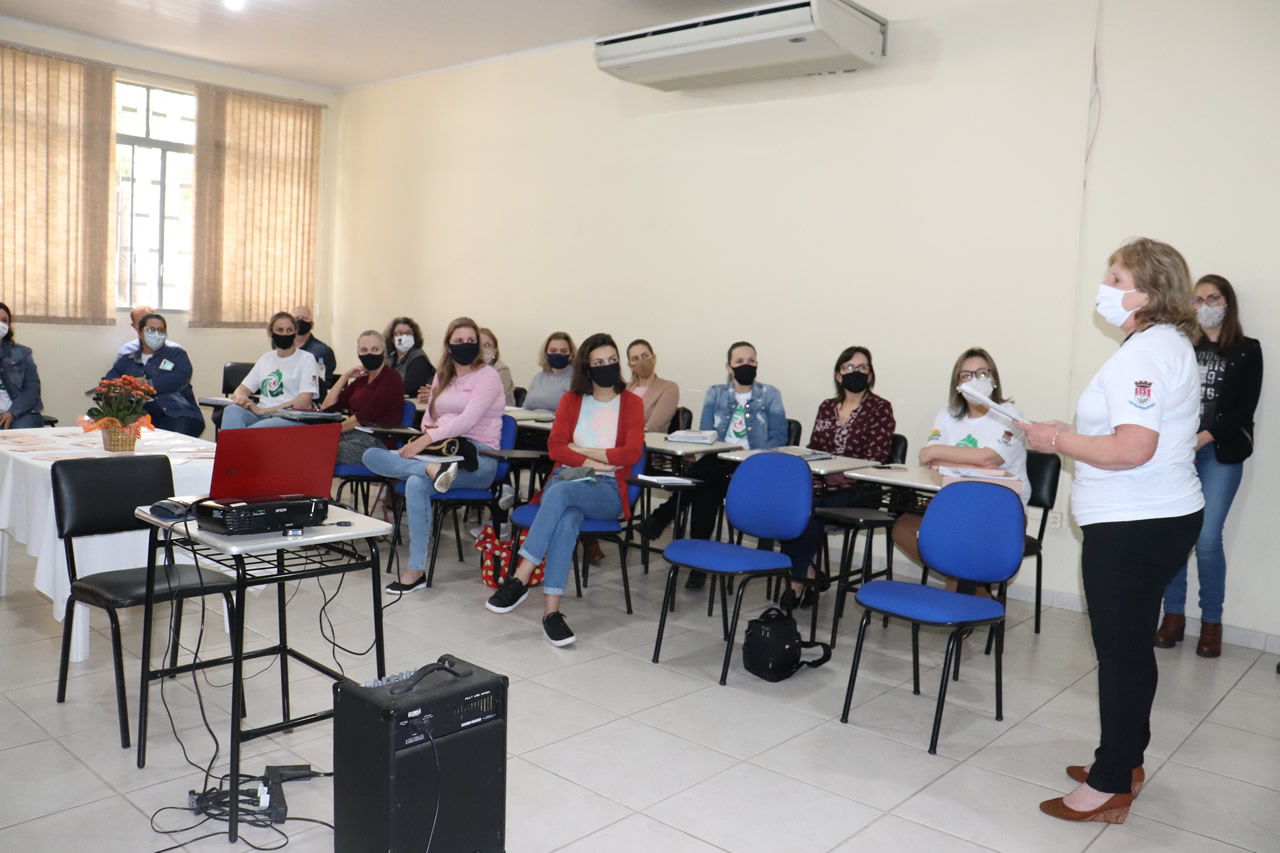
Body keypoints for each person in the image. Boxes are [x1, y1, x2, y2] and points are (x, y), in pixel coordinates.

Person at [1021, 237, 1203, 824]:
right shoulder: (1168, 344)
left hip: (1134, 523)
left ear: (1145, 293)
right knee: (1131, 649)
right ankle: (1124, 761)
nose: (1107, 287)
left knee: (1121, 654)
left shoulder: (1141, 355)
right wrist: (1068, 433)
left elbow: (1131, 448)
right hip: (1160, 515)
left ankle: (1110, 783)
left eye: (1117, 279)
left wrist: (1055, 439)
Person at [485, 332, 645, 646]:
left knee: (559, 495)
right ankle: (551, 613)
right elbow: (556, 448)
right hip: (572, 482)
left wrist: (586, 455)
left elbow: (631, 453)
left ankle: (520, 576)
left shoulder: (631, 403)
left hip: (609, 491)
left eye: (612, 361)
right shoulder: (572, 400)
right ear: (586, 368)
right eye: (599, 362)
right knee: (568, 516)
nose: (607, 367)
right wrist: (599, 458)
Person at [1154, 274, 1262, 658]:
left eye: (1212, 298)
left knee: (1206, 538)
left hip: (1219, 453)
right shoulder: (1181, 346)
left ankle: (1212, 623)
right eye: (1197, 300)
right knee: (1176, 535)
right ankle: (1174, 616)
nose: (1204, 306)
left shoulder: (1248, 350)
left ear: (1227, 304)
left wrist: (1202, 437)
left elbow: (1242, 410)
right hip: (1176, 454)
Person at [363, 317, 504, 594]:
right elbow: (429, 416)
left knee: (415, 483)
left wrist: (426, 439)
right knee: (370, 455)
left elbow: (467, 420)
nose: (465, 345)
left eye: (470, 341)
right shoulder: (443, 373)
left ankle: (415, 570)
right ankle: (430, 471)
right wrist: (428, 435)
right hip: (438, 454)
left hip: (477, 458)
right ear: (448, 345)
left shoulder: (488, 376)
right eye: (458, 341)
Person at [643, 341, 788, 589]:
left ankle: (665, 515)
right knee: (705, 491)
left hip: (752, 467)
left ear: (757, 364)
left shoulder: (770, 394)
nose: (746, 366)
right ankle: (699, 564)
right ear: (729, 367)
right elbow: (707, 436)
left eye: (751, 361)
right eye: (740, 362)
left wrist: (749, 452)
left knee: (702, 479)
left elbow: (779, 438)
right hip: (718, 464)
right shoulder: (715, 393)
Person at [891, 347, 1030, 569]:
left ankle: (963, 588)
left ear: (994, 379)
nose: (974, 381)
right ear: (958, 384)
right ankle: (970, 586)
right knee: (904, 528)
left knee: (959, 540)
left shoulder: (1009, 414)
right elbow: (928, 455)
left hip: (1001, 508)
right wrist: (974, 459)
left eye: (982, 374)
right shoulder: (946, 415)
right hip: (952, 502)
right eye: (966, 375)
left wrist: (950, 457)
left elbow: (988, 457)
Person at [780, 346, 895, 608]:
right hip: (821, 485)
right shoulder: (827, 406)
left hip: (859, 491)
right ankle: (809, 571)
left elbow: (874, 458)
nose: (857, 372)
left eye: (863, 367)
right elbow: (814, 448)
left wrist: (837, 473)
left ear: (871, 374)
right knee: (784, 503)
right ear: (838, 375)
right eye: (850, 367)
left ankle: (797, 580)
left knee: (808, 509)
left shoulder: (880, 408)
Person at [104, 312, 204, 437]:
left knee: (172, 441)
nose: (156, 334)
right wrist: (130, 384)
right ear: (140, 333)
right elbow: (108, 381)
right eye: (151, 330)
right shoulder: (127, 360)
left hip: (177, 412)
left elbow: (180, 377)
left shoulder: (176, 354)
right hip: (138, 415)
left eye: (160, 330)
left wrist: (147, 385)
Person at [222, 312, 320, 429]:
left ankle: (237, 445)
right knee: (232, 411)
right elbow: (242, 389)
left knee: (250, 433)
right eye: (280, 330)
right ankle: (230, 447)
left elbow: (304, 402)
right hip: (262, 414)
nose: (285, 334)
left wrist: (263, 411)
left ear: (295, 333)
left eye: (289, 330)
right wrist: (240, 397)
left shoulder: (306, 359)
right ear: (271, 333)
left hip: (289, 417)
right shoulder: (265, 359)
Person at [321, 330, 406, 465]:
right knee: (311, 444)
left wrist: (333, 431)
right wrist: (345, 376)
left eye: (375, 349)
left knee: (320, 450)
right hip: (352, 436)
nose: (369, 354)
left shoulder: (391, 377)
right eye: (364, 350)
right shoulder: (361, 380)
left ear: (383, 352)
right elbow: (327, 408)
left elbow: (364, 417)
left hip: (377, 442)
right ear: (358, 354)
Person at [0, 303, 45, 430]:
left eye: (4, 321)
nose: (1, 325)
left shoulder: (22, 353)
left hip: (20, 413)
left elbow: (32, 390)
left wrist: (12, 413)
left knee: (22, 433)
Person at [625, 339, 680, 432]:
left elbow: (653, 427)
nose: (641, 362)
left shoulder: (669, 388)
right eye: (635, 359)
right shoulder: (623, 389)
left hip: (648, 444)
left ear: (654, 358)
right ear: (630, 365)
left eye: (645, 356)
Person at [385, 316, 436, 398]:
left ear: (414, 337)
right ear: (392, 338)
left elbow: (409, 388)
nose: (404, 337)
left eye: (408, 333)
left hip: (415, 406)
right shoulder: (390, 358)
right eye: (399, 333)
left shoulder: (419, 358)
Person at [523, 332, 575, 411]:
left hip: (557, 422)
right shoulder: (538, 377)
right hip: (529, 422)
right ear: (546, 354)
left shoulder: (577, 379)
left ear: (571, 354)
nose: (558, 354)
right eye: (553, 351)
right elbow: (526, 407)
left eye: (563, 351)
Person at [292, 305, 337, 395]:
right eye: (296, 318)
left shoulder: (323, 351)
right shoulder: (283, 348)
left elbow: (324, 385)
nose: (300, 321)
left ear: (312, 324)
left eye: (304, 318)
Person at [117, 304, 182, 358]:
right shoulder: (127, 351)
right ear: (134, 326)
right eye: (142, 323)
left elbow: (180, 371)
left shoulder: (175, 350)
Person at [479, 327, 516, 406]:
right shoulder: (465, 369)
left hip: (502, 414)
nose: (482, 350)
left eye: (487, 345)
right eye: (478, 345)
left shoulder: (501, 369)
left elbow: (489, 400)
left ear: (495, 351)